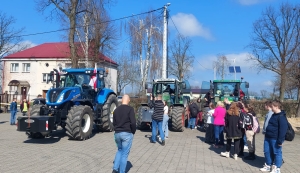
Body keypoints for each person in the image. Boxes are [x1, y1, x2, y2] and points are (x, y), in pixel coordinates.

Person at [260, 100, 288, 173]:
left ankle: (277, 168)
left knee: (277, 152)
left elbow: (283, 130)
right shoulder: (273, 115)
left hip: (275, 138)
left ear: (276, 107)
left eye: (272, 106)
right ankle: (268, 165)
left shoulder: (281, 116)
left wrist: (280, 140)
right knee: (267, 151)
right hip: (268, 137)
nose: (271, 108)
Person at [112, 95, 136, 173]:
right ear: (128, 100)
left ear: (122, 100)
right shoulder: (130, 109)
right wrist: (133, 131)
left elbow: (114, 123)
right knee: (124, 154)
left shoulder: (116, 110)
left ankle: (115, 169)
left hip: (117, 133)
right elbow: (133, 122)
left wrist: (117, 130)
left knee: (119, 150)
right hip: (127, 133)